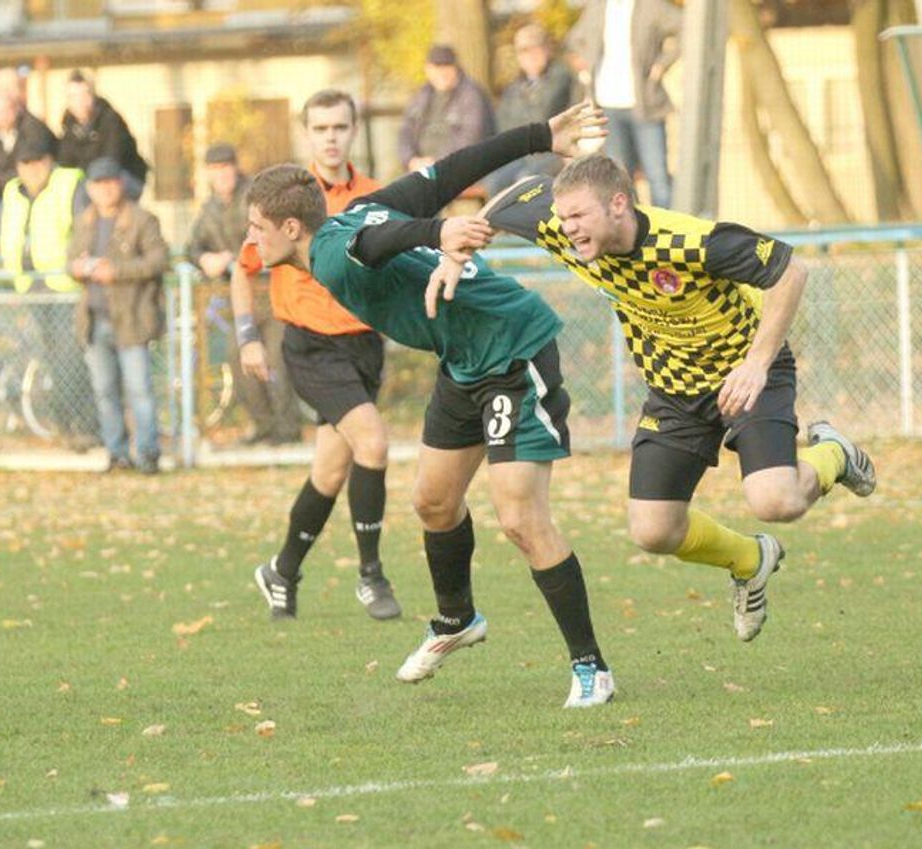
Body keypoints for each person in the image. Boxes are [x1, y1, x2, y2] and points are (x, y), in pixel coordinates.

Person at [246, 103, 616, 708]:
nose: (249, 239)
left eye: (256, 226)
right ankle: (456, 620)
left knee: (521, 519)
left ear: (291, 229)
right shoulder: (356, 213)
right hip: (464, 360)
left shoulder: (338, 248)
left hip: (512, 349)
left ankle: (591, 666)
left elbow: (379, 241)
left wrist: (437, 233)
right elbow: (449, 173)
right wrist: (540, 135)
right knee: (433, 502)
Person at [447, 155, 877, 643]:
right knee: (653, 530)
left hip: (744, 372)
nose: (568, 230)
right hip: (673, 390)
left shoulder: (688, 241)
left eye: (579, 217)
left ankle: (835, 454)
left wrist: (757, 363)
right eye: (563, 218)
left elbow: (790, 271)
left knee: (776, 500)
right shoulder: (562, 227)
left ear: (618, 204)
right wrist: (461, 247)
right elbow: (513, 196)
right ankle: (752, 560)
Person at [236, 90, 399, 621]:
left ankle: (281, 571)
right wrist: (247, 336)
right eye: (321, 128)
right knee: (372, 442)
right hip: (309, 344)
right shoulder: (283, 196)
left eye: (340, 127)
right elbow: (244, 270)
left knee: (330, 473)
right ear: (306, 133)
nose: (331, 137)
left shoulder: (376, 194)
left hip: (364, 345)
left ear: (354, 131)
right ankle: (371, 575)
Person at [0, 131, 99, 446]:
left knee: (71, 359)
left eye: (37, 161)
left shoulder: (69, 186)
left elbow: (89, 227)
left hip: (66, 291)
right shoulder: (13, 194)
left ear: (49, 160)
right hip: (32, 291)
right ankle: (64, 426)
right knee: (50, 359)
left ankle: (86, 427)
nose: (32, 169)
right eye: (25, 164)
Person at [188, 142, 302, 446]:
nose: (222, 174)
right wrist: (205, 259)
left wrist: (238, 256)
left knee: (278, 359)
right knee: (239, 359)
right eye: (215, 169)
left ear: (235, 167)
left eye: (226, 167)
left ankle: (287, 429)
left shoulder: (257, 196)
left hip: (271, 287)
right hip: (237, 297)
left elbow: (275, 233)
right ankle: (262, 425)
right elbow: (192, 247)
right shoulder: (209, 208)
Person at [68, 157, 168, 473]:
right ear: (90, 189)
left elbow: (157, 261)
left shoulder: (142, 220)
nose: (105, 189)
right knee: (105, 391)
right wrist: (77, 268)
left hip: (132, 319)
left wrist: (118, 272)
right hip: (95, 320)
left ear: (121, 184)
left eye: (110, 182)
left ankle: (149, 453)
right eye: (98, 184)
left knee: (140, 390)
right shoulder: (84, 221)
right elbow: (70, 258)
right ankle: (117, 453)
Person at [565, 0, 682, 208]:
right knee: (620, 179)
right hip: (607, 104)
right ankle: (632, 234)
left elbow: (686, 27)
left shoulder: (652, 6)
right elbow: (574, 39)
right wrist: (584, 62)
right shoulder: (597, 7)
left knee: (657, 176)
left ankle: (664, 235)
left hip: (645, 104)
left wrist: (663, 63)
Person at [485, 24, 574, 195]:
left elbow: (542, 115)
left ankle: (530, 222)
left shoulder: (561, 77)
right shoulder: (514, 87)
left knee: (525, 180)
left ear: (547, 50)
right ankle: (501, 222)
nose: (530, 56)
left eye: (536, 49)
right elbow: (503, 124)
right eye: (524, 51)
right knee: (494, 181)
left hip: (553, 151)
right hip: (521, 153)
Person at [0, 89, 56, 241]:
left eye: (3, 111)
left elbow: (33, 171)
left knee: (10, 205)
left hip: (30, 190)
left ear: (16, 109)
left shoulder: (34, 130)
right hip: (0, 190)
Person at [397, 45, 495, 174]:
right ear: (428, 69)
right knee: (393, 189)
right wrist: (410, 160)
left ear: (456, 68)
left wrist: (437, 162)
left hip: (459, 168)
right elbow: (405, 133)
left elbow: (471, 138)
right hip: (422, 168)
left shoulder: (471, 95)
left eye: (447, 66)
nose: (442, 72)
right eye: (437, 67)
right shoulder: (421, 96)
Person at [57, 71, 149, 200]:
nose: (80, 102)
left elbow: (110, 161)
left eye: (85, 94)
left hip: (125, 178)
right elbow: (65, 164)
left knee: (84, 193)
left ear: (93, 95)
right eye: (73, 96)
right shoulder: (68, 128)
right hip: (91, 181)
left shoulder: (110, 120)